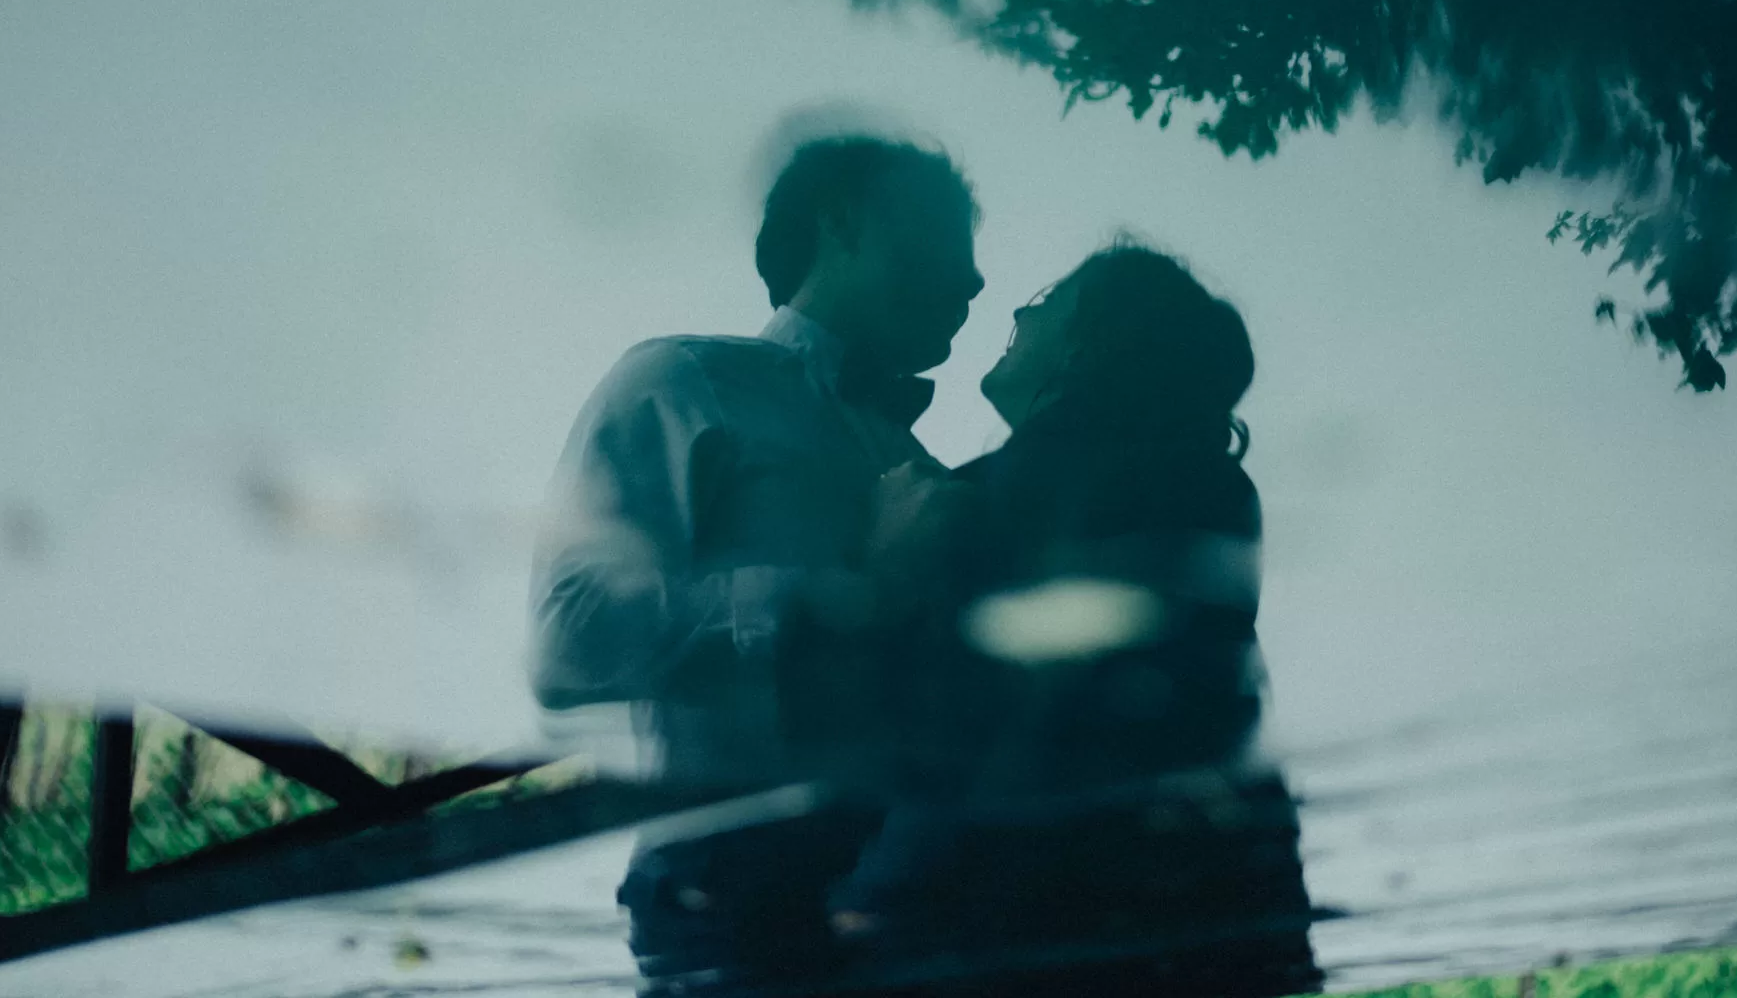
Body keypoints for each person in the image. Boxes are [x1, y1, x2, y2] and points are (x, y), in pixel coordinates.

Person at [527, 134, 984, 995]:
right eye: (946, 234)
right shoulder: (682, 381)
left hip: (913, 897)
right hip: (729, 892)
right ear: (844, 219)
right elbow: (569, 642)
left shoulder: (921, 464)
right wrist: (850, 591)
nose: (974, 281)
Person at [825, 240, 1323, 998]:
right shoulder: (1201, 483)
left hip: (1032, 927)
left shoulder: (1021, 494)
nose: (1021, 311)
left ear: (1092, 341)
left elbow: (989, 730)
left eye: (1048, 301)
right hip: (1208, 918)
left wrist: (886, 893)